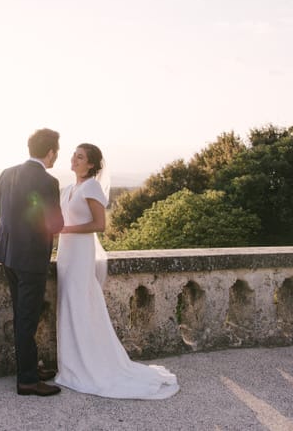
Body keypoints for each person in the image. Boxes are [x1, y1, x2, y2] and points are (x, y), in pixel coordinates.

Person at [54, 143, 179, 399]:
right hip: (66, 254)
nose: (74, 159)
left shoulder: (91, 187)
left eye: (80, 157)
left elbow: (100, 224)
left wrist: (66, 230)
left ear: (91, 164)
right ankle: (70, 364)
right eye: (74, 155)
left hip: (80, 253)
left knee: (80, 303)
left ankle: (90, 365)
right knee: (67, 304)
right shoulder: (68, 188)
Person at [0, 128, 65, 396]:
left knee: (23, 315)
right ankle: (28, 381)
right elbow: (56, 224)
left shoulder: (6, 173)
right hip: (31, 259)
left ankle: (31, 367)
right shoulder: (48, 181)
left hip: (6, 254)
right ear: (51, 152)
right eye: (57, 151)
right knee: (27, 320)